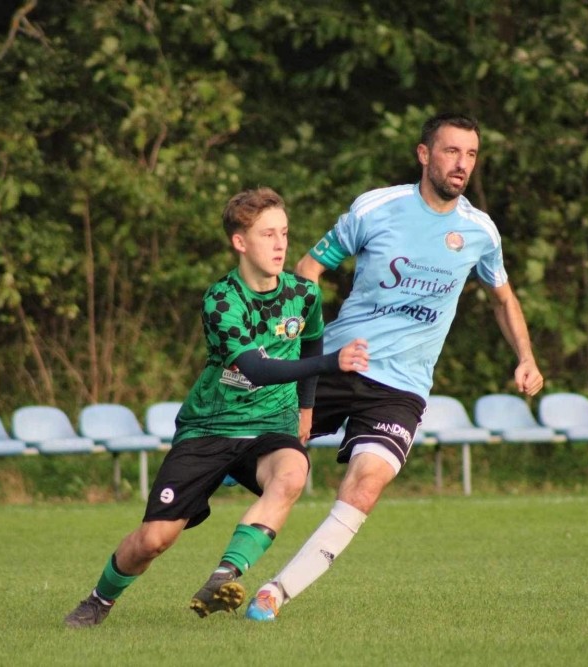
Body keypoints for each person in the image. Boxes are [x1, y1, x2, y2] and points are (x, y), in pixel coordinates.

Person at [243, 113, 544, 621]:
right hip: (340, 362)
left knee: (366, 484)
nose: (462, 164)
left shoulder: (479, 232)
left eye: (471, 154)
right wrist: (297, 345)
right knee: (254, 453)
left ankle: (276, 592)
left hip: (402, 387)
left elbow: (503, 298)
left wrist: (526, 357)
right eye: (451, 151)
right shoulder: (376, 208)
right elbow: (309, 269)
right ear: (424, 154)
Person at [63, 187, 370, 628]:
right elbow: (256, 369)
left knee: (291, 473)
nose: (281, 244)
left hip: (271, 426)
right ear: (240, 242)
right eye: (267, 234)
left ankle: (225, 575)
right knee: (154, 540)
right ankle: (98, 600)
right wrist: (331, 364)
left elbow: (310, 342)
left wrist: (306, 409)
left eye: (284, 233)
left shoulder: (303, 293)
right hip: (211, 428)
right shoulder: (221, 300)